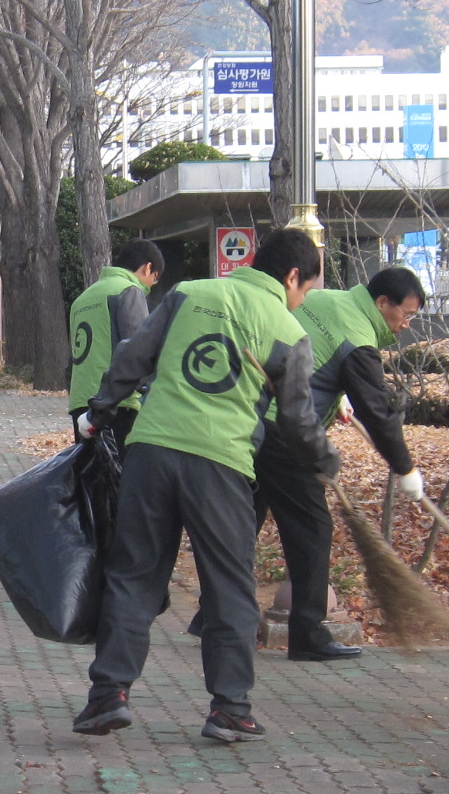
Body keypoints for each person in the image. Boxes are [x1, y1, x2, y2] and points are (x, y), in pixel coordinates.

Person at [74, 228, 337, 743]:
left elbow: (133, 355)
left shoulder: (191, 292)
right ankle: (230, 707)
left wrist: (102, 410)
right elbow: (299, 420)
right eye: (305, 289)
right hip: (221, 464)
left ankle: (108, 693)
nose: (302, 299)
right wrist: (324, 461)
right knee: (229, 587)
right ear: (291, 277)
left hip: (151, 450)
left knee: (134, 575)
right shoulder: (288, 330)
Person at [272, 265, 426, 661]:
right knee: (313, 530)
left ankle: (211, 616)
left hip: (252, 418)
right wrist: (405, 468)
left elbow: (301, 344)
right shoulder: (359, 341)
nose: (406, 325)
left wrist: (331, 385)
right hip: (288, 432)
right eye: (405, 315)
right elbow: (378, 412)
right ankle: (307, 634)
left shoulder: (324, 298)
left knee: (243, 516)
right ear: (381, 303)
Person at [67, 239, 165, 437]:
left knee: (90, 468)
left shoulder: (81, 299)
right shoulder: (129, 291)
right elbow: (138, 349)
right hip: (118, 404)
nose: (152, 285)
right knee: (121, 466)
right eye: (155, 278)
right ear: (148, 268)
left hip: (81, 403)